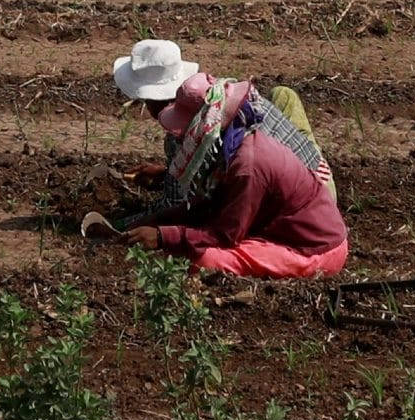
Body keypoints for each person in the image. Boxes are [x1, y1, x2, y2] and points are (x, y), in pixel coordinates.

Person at [117, 71, 348, 279]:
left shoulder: (247, 166)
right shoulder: (235, 145)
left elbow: (224, 234)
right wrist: (158, 222)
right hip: (285, 224)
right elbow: (207, 204)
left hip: (316, 250)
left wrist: (162, 237)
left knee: (205, 260)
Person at [113, 38, 335, 209]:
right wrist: (166, 174)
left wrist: (121, 226)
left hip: (303, 206)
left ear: (152, 104)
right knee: (283, 95)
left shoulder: (178, 139)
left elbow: (176, 208)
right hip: (319, 178)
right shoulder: (223, 95)